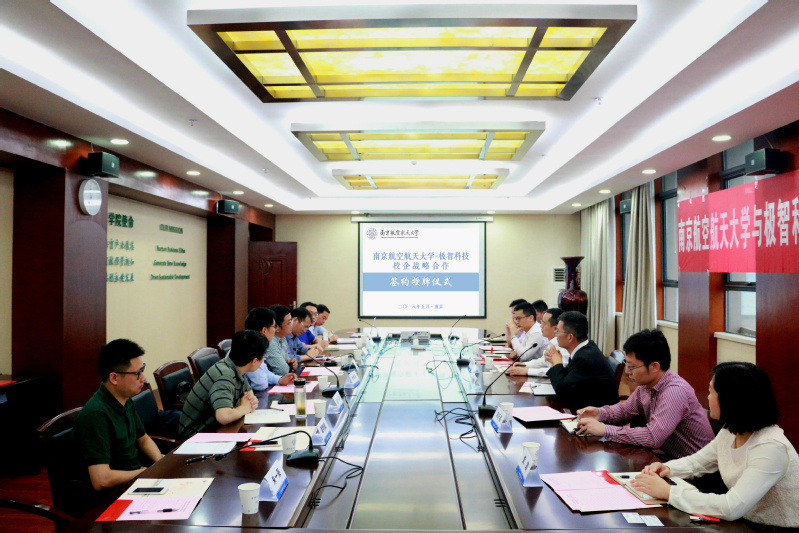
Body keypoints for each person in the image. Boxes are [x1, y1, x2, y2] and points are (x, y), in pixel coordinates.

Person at [632, 362, 799, 529]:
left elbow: (730, 508)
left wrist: (669, 492)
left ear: (731, 398)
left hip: (774, 528)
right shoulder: (731, 431)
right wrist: (667, 469)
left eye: (711, 391)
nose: (708, 398)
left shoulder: (770, 448)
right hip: (744, 522)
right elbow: (698, 462)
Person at [575, 329, 714, 460]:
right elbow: (625, 411)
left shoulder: (675, 391)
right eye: (627, 365)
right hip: (663, 460)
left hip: (692, 468)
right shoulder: (646, 385)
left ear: (654, 366)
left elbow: (653, 438)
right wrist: (600, 413)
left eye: (632, 366)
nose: (627, 371)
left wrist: (605, 430)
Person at [73, 339, 163, 491]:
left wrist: (161, 465)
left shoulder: (124, 399)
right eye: (137, 373)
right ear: (114, 378)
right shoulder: (96, 415)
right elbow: (101, 480)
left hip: (135, 479)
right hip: (116, 493)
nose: (143, 378)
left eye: (142, 370)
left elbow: (143, 440)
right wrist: (143, 474)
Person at [178, 330, 262, 439]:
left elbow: (250, 399)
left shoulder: (236, 368)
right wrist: (243, 408)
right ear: (254, 361)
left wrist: (247, 405)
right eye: (264, 356)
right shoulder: (224, 375)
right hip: (196, 436)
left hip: (215, 429)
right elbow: (224, 416)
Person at [546, 311, 618, 408]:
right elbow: (567, 379)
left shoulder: (584, 358)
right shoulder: (586, 349)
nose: (555, 335)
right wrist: (555, 360)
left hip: (595, 412)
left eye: (558, 331)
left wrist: (557, 362)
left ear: (570, 337)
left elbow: (562, 390)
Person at [243, 307, 296, 390]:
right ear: (264, 330)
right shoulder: (250, 347)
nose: (275, 330)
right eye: (274, 327)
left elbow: (264, 371)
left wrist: (279, 380)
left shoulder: (257, 343)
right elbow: (260, 384)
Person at [508, 308, 569, 376]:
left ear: (555, 328)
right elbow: (543, 361)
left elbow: (559, 370)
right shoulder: (552, 342)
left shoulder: (563, 344)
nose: (541, 326)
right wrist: (524, 364)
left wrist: (527, 371)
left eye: (544, 323)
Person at [265, 305, 300, 375]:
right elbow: (283, 370)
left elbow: (287, 360)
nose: (292, 325)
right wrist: (288, 365)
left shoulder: (282, 338)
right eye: (289, 323)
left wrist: (292, 362)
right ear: (277, 328)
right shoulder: (270, 342)